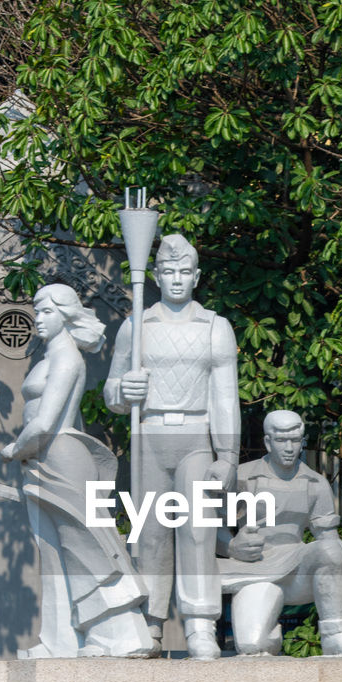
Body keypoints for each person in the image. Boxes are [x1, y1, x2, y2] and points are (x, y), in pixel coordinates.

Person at [104, 234, 240, 659]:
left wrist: (229, 455)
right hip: (149, 433)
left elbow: (224, 396)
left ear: (197, 277)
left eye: (185, 272)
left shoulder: (215, 327)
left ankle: (201, 624)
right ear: (157, 275)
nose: (177, 279)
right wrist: (124, 389)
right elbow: (110, 392)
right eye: (169, 271)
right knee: (150, 533)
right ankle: (151, 624)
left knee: (198, 529)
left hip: (195, 436)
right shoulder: (136, 326)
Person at [1, 283, 153, 658]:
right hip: (43, 459)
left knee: (84, 547)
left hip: (59, 455)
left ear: (66, 315)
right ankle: (60, 641)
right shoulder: (48, 358)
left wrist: (13, 449)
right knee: (51, 553)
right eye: (37, 312)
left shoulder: (67, 360)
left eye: (47, 312)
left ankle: (117, 635)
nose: (38, 320)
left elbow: (45, 422)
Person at [218, 409, 342, 656]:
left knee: (329, 550)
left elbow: (329, 541)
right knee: (252, 646)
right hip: (255, 570)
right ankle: (269, 635)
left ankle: (336, 634)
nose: (289, 448)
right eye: (280, 440)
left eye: (295, 440)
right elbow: (206, 528)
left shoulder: (315, 483)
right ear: (267, 442)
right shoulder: (241, 478)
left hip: (297, 571)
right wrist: (231, 546)